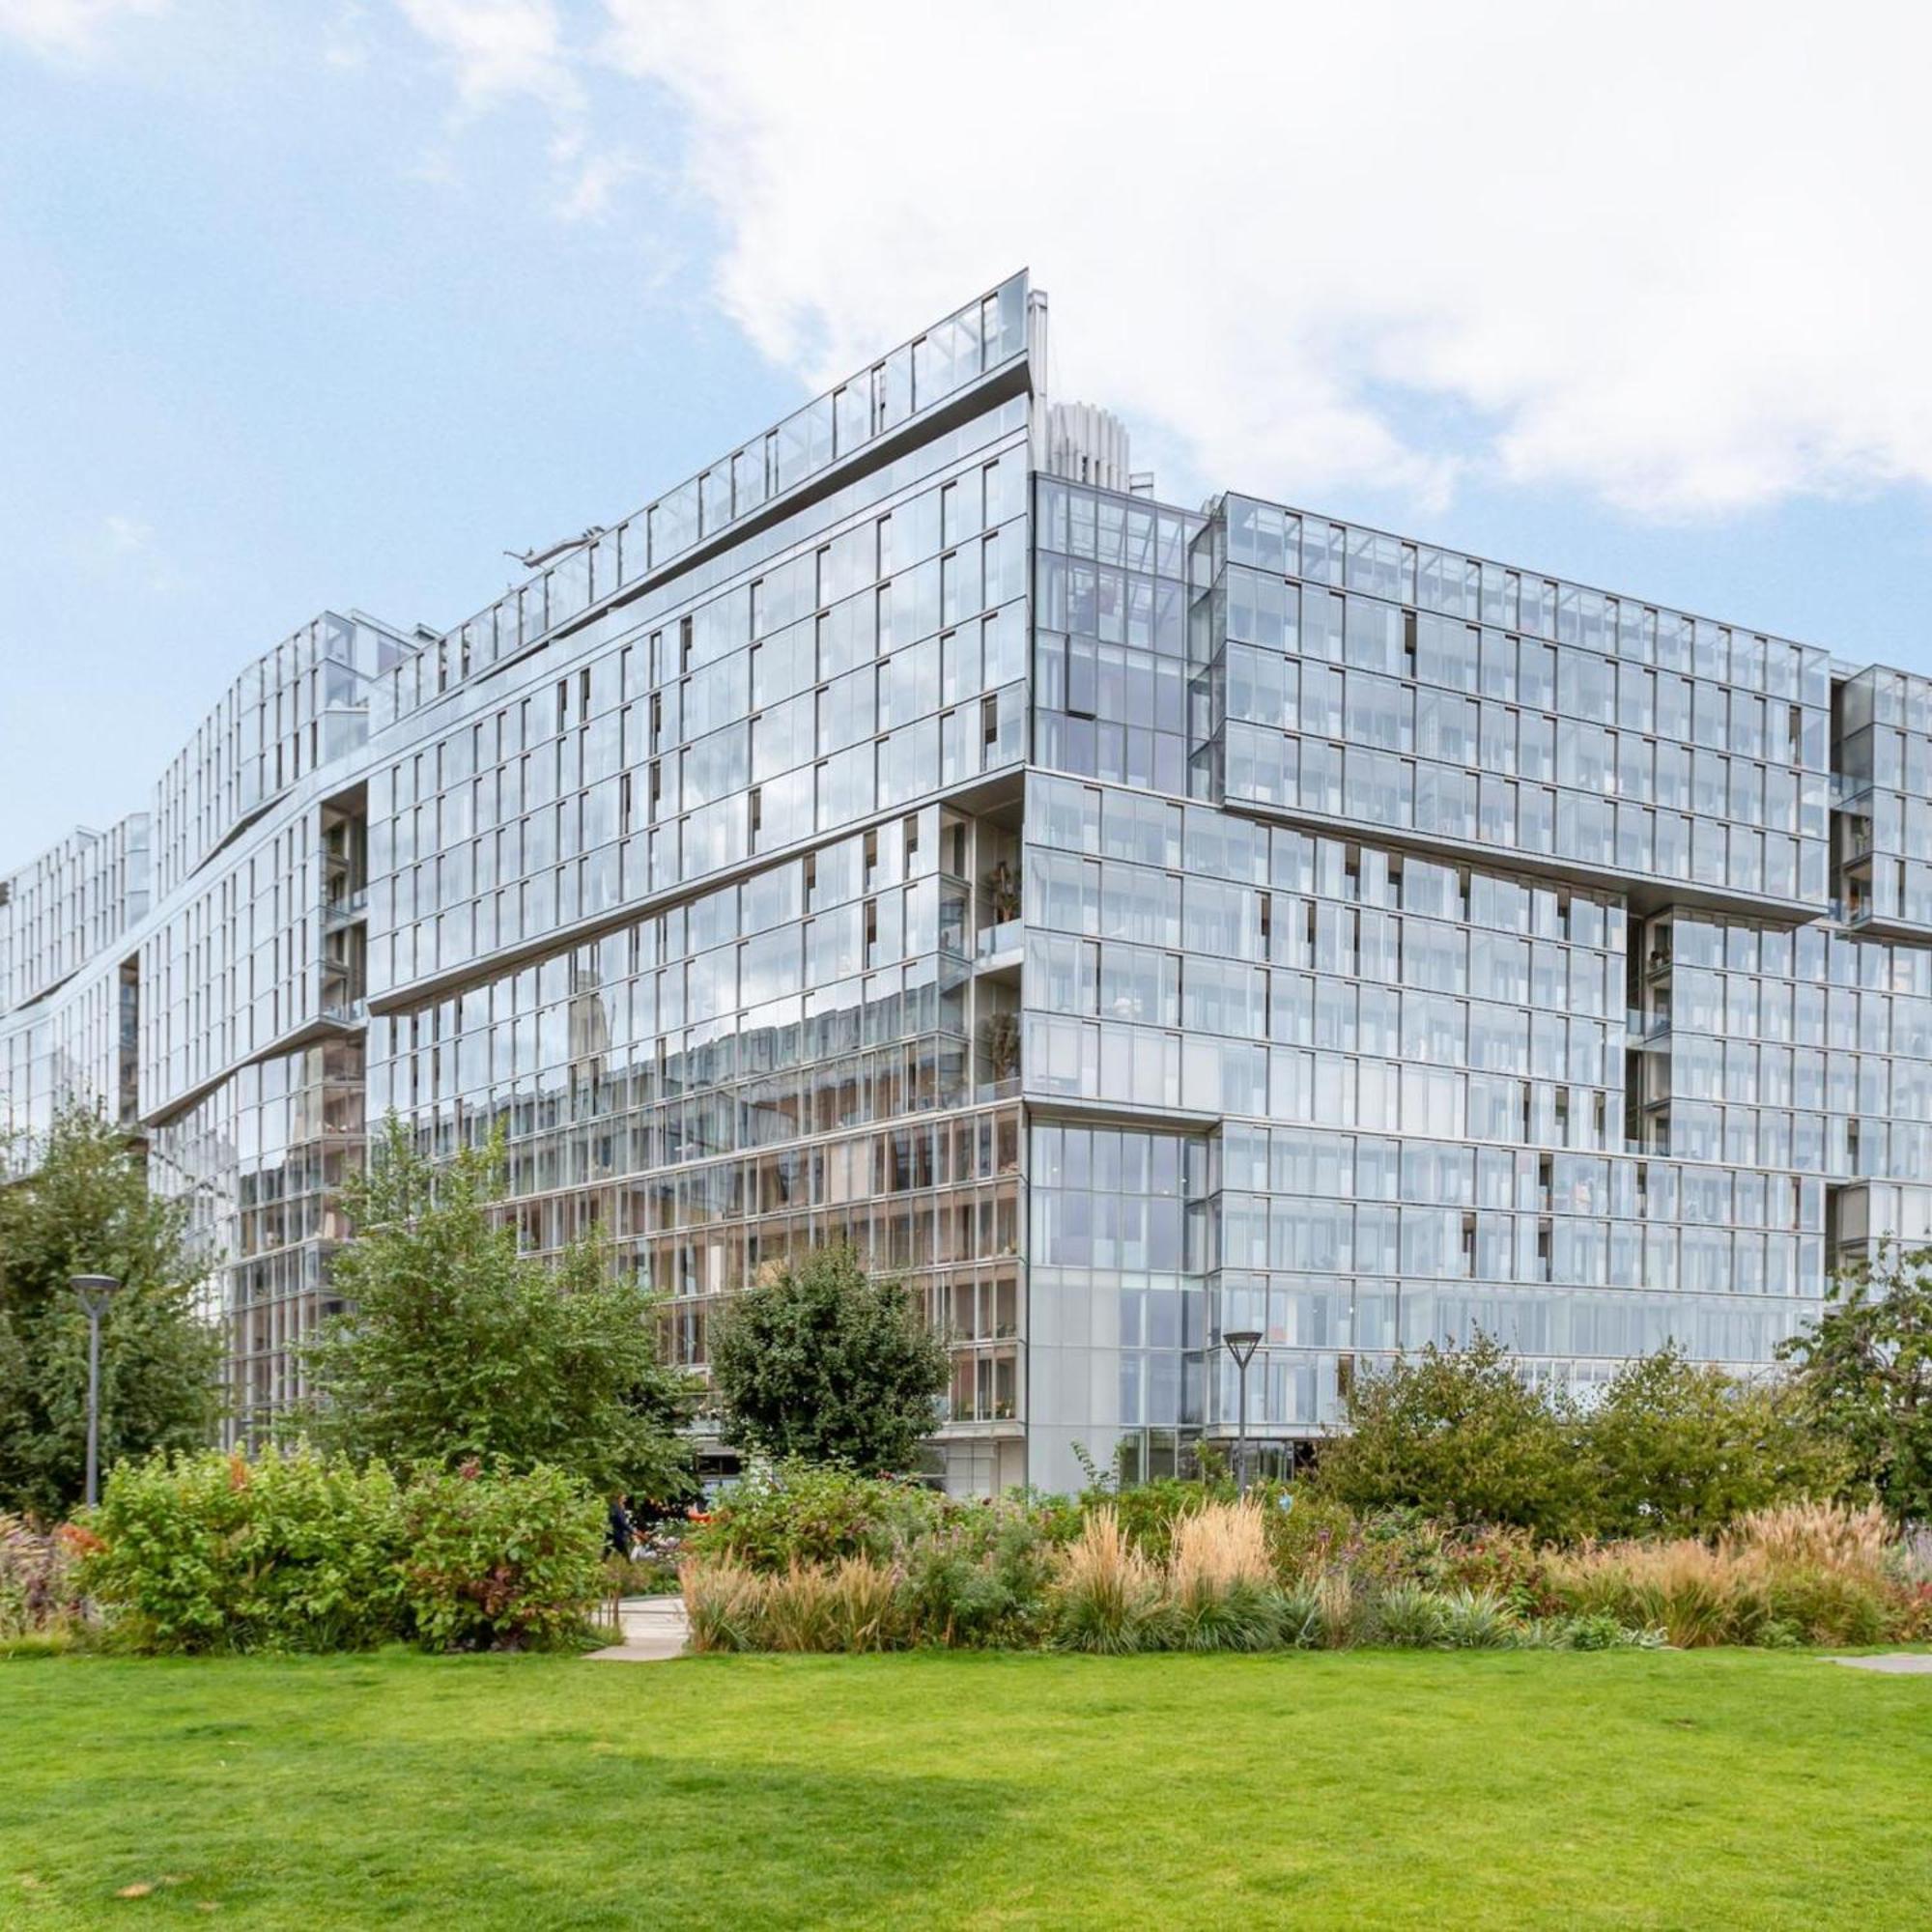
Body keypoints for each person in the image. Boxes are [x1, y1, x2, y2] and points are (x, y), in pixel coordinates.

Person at [606, 1493, 633, 1560]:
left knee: (608, 1550)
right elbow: (621, 1521)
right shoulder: (616, 1507)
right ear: (619, 1498)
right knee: (623, 1550)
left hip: (614, 1532)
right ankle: (629, 1565)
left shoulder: (620, 1507)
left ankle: (601, 1562)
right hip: (615, 1533)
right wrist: (631, 1530)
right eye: (624, 1496)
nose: (625, 1498)